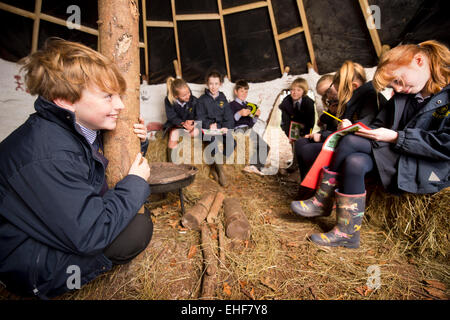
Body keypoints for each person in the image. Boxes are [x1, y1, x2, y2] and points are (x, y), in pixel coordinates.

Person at [0, 39, 153, 298]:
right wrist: (136, 183)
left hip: (44, 230)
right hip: (25, 260)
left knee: (132, 215)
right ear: (65, 100)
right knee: (136, 230)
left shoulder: (66, 129)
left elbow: (91, 170)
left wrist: (137, 142)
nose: (121, 106)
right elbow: (92, 233)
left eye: (119, 95)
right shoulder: (49, 155)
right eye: (108, 97)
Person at [291, 40, 450, 249]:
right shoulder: (405, 94)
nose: (398, 88)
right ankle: (347, 233)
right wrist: (359, 128)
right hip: (397, 153)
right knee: (354, 162)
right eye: (394, 85)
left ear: (419, 61)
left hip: (424, 163)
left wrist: (396, 137)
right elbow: (377, 125)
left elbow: (445, 145)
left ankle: (323, 200)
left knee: (348, 142)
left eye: (398, 80)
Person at [196, 71, 236, 186]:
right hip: (208, 130)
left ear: (220, 84)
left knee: (232, 143)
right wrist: (208, 125)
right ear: (207, 84)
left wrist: (226, 127)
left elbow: (229, 117)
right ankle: (221, 172)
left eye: (216, 84)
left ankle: (216, 166)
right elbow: (199, 117)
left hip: (221, 129)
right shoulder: (202, 100)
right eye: (211, 84)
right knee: (212, 142)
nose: (213, 87)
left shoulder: (223, 99)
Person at [228, 79, 271, 175]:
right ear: (236, 92)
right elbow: (229, 121)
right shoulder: (231, 105)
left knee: (265, 146)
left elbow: (250, 124)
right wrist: (239, 113)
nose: (244, 94)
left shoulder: (249, 105)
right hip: (237, 129)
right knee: (259, 145)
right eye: (241, 91)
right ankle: (254, 166)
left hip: (248, 129)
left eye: (246, 92)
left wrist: (256, 116)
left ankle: (254, 166)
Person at [163, 77, 199, 162]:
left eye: (188, 92)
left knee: (195, 132)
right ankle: (172, 166)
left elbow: (199, 114)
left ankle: (184, 140)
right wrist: (182, 123)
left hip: (190, 125)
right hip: (177, 124)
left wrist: (193, 123)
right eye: (184, 95)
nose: (188, 96)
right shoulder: (169, 101)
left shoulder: (194, 100)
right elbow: (171, 117)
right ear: (176, 96)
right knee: (173, 135)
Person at [279, 77, 315, 141]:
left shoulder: (309, 103)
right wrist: (289, 134)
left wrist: (305, 132)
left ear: (303, 91)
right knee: (294, 146)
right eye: (293, 90)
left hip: (305, 130)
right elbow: (285, 121)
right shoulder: (286, 102)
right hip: (290, 130)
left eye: (298, 90)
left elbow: (311, 121)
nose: (295, 92)